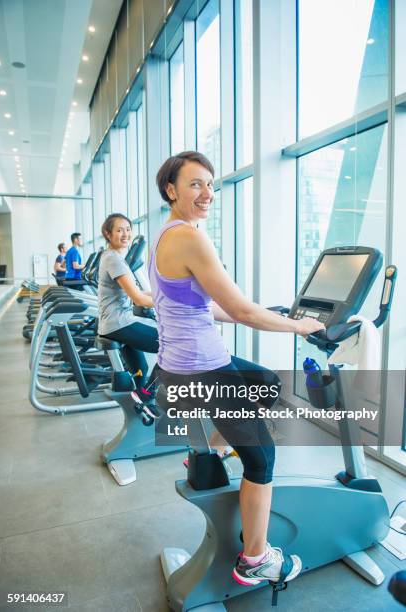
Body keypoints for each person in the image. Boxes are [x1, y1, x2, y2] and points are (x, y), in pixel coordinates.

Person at [150, 151, 325, 586]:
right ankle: (256, 559)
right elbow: (241, 311)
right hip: (201, 369)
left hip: (180, 366)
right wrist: (296, 325)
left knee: (265, 381)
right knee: (263, 456)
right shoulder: (190, 238)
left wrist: (266, 312)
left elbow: (205, 305)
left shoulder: (168, 235)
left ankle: (215, 446)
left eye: (211, 184)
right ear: (171, 190)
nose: (207, 193)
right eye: (195, 184)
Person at [97, 213, 159, 401]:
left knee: (142, 369)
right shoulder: (114, 260)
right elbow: (138, 299)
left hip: (114, 324)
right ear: (108, 234)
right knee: (175, 345)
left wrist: (163, 295)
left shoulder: (111, 256)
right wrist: (171, 301)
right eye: (119, 230)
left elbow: (139, 294)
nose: (125, 234)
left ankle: (142, 402)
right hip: (119, 324)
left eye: (128, 229)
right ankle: (147, 395)